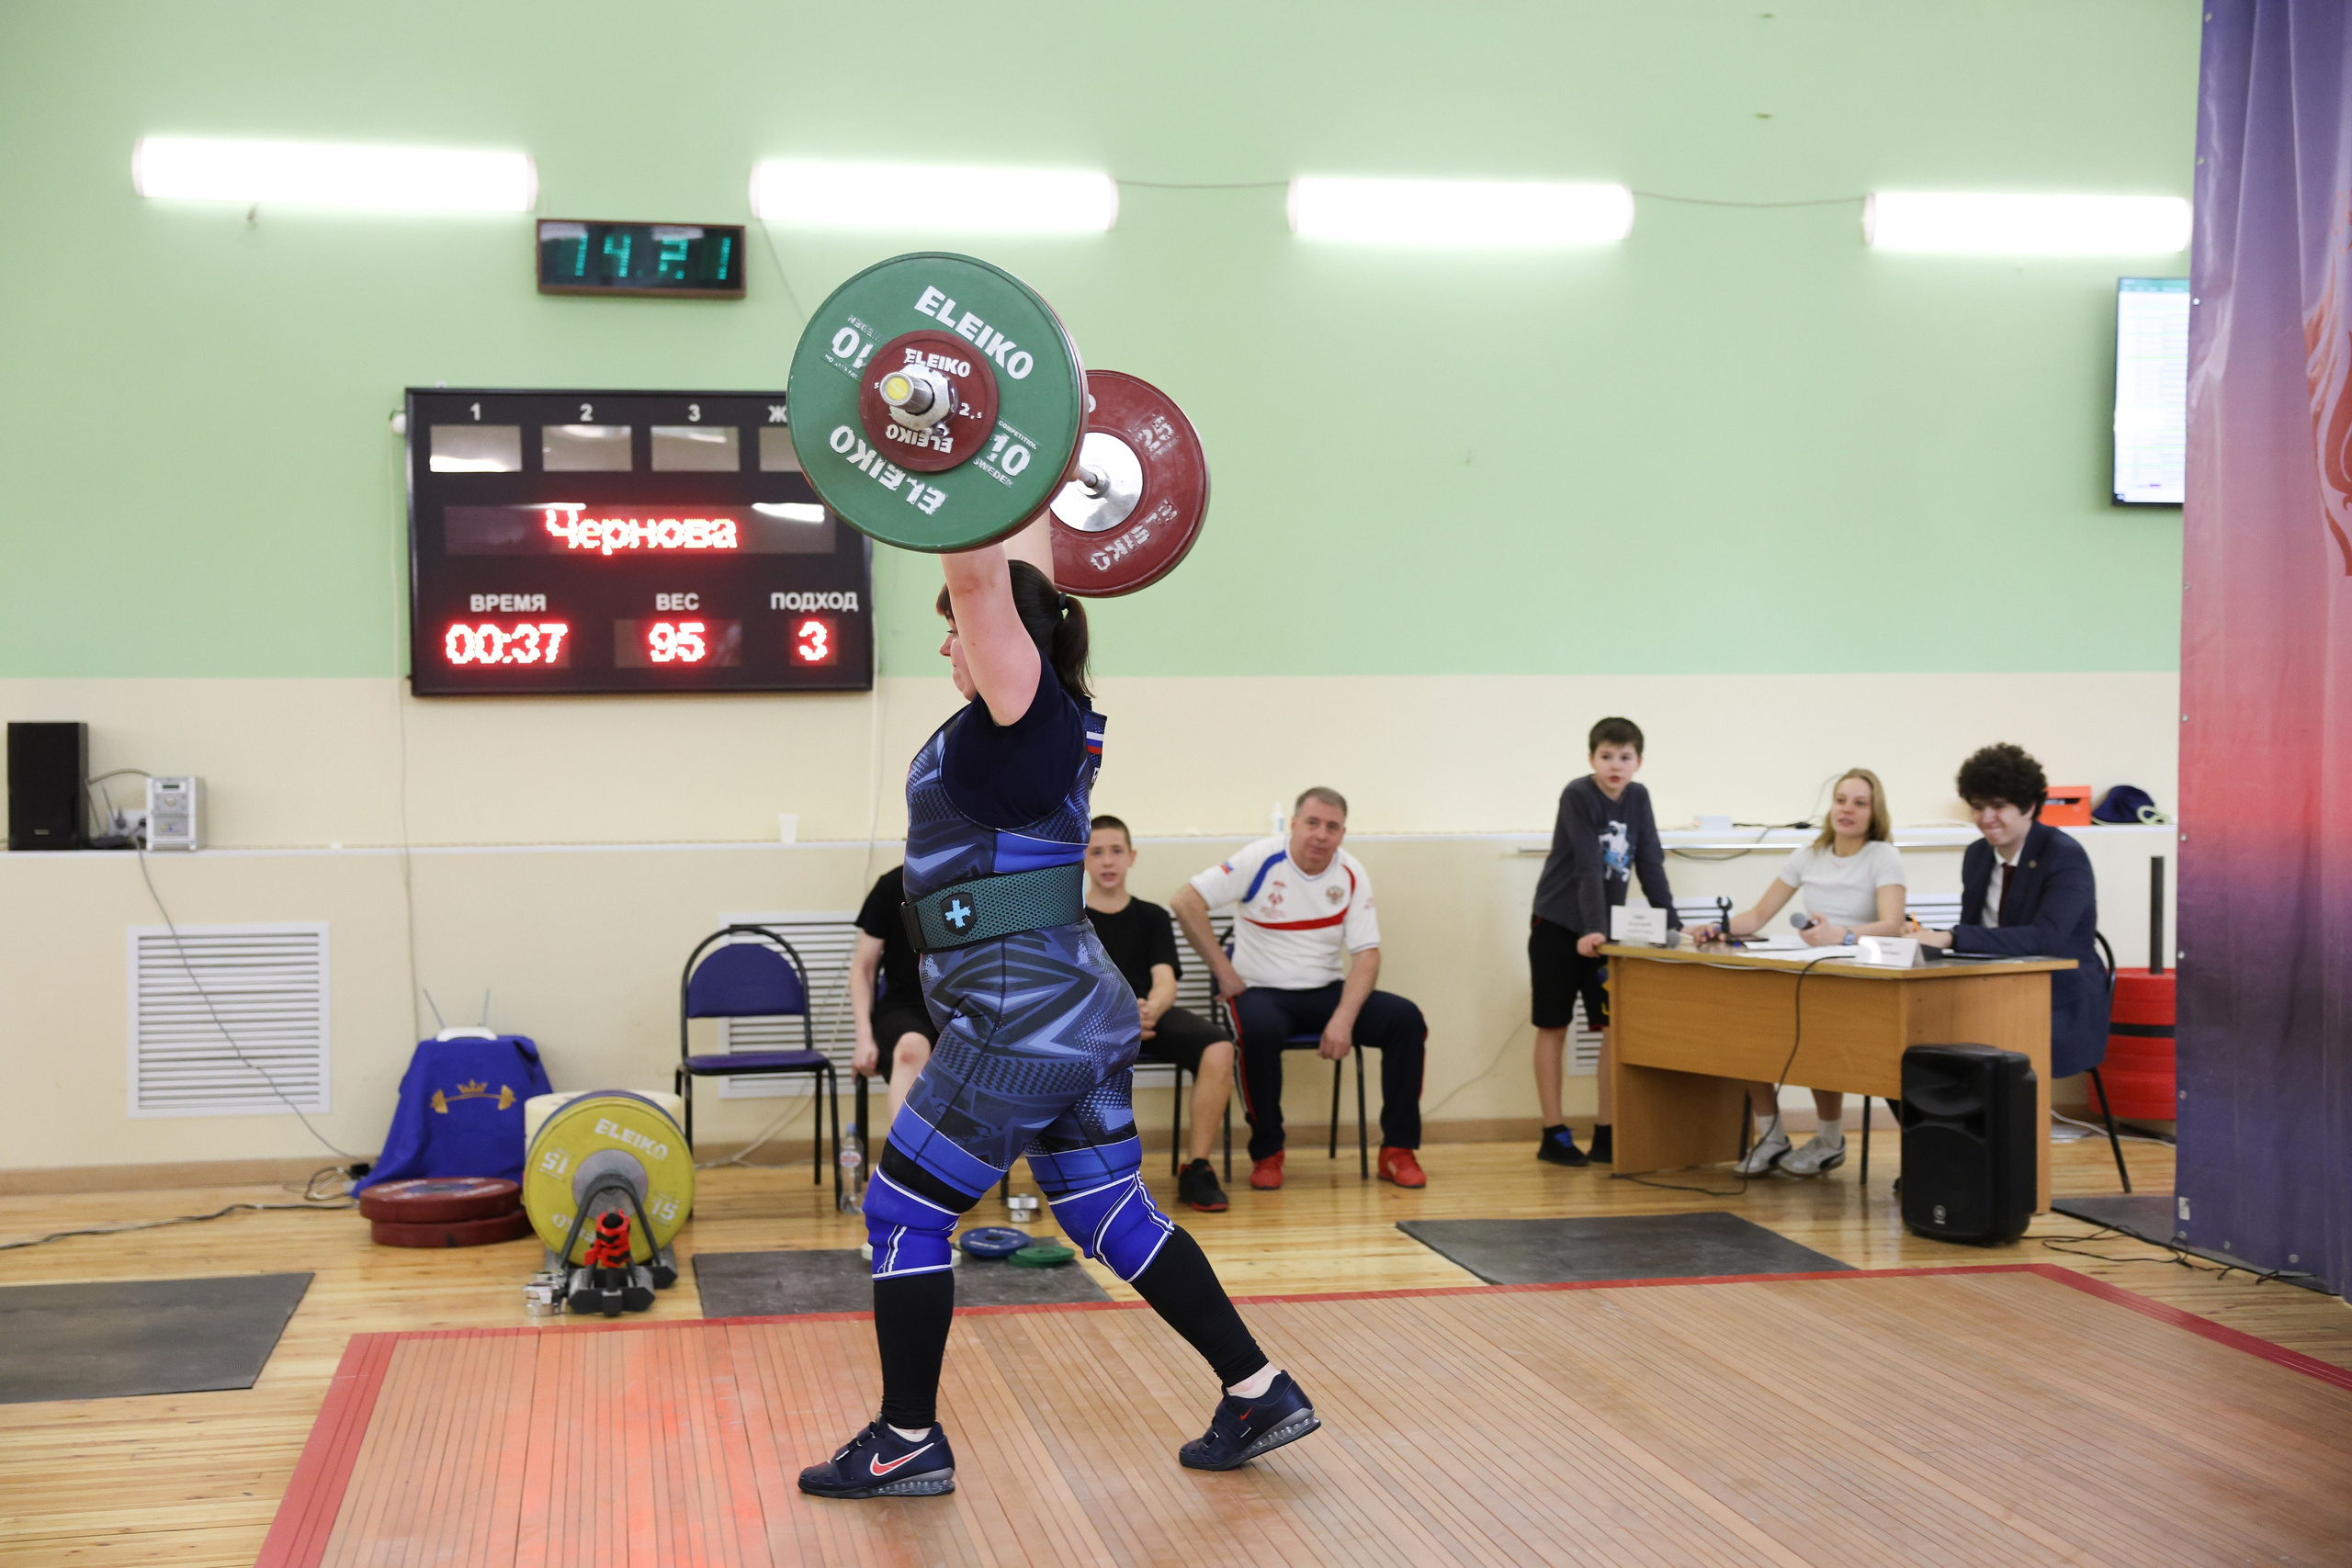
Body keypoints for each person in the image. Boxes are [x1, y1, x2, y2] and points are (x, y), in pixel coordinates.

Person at [798, 520, 1316, 1503]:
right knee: (1110, 1214)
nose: (947, 644)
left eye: (954, 629)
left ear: (1003, 640)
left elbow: (987, 575)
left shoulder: (1022, 706)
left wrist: (955, 470)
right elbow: (1019, 549)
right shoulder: (1043, 720)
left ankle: (907, 1440)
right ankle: (1256, 1389)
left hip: (1018, 1023)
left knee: (902, 1215)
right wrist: (1027, 451)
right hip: (1070, 1014)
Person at [1170, 789, 1430, 1190]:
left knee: (1406, 1020)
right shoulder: (1261, 858)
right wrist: (1224, 971)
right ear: (1293, 825)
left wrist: (1343, 1020)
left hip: (1325, 991)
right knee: (1257, 1032)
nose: (1320, 835)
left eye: (1331, 827)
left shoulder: (1351, 873)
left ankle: (1397, 1151)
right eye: (1312, 823)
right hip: (1261, 991)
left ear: (1343, 833)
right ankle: (1268, 1152)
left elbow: (1367, 956)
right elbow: (1186, 901)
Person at [1690, 768, 1909, 1177]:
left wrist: (1839, 936)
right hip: (1806, 968)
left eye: (1860, 803)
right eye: (1841, 800)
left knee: (1817, 1041)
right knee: (1747, 1032)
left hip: (1855, 975)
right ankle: (1771, 1134)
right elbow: (1756, 916)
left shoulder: (1883, 855)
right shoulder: (1808, 854)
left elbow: (1893, 924)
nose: (1847, 810)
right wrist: (1715, 928)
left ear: (1874, 812)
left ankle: (1829, 1140)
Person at [1527, 717, 1679, 1168]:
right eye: (1606, 756)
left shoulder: (1639, 798)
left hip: (1604, 932)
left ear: (1639, 762)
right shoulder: (1578, 795)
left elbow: (1650, 861)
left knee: (1612, 1031)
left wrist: (1673, 925)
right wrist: (1592, 927)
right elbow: (1587, 867)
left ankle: (1608, 1131)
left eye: (1625, 757)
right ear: (1591, 758)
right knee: (1553, 1026)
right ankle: (1553, 1133)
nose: (1616, 766)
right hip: (1557, 925)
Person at [1915, 743, 2110, 1076]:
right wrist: (1925, 939)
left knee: (1979, 1058)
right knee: (1910, 1047)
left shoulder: (2064, 855)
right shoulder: (1977, 855)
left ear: (2029, 806)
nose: (1985, 818)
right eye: (1977, 807)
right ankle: (1960, 1127)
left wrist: (1949, 937)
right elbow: (1974, 931)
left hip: (2059, 998)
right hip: (1992, 990)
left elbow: (2045, 939)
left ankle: (1995, 1126)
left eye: (1998, 806)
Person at [1083, 815, 1236, 1213]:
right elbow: (1072, 988)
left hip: (1149, 1014)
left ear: (1131, 857)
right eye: (1097, 852)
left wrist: (1147, 1010)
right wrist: (1119, 1016)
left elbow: (1165, 979)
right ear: (1083, 859)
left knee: (1219, 1047)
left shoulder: (1152, 917)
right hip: (1095, 1021)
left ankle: (1197, 1169)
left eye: (1116, 851)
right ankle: (1092, 1173)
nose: (1107, 861)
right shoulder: (1072, 920)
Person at [849, 863, 936, 1141]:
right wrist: (864, 1038)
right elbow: (863, 968)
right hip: (905, 1008)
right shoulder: (890, 885)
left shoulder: (981, 881)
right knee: (911, 1048)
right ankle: (907, 1164)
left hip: (964, 1005)